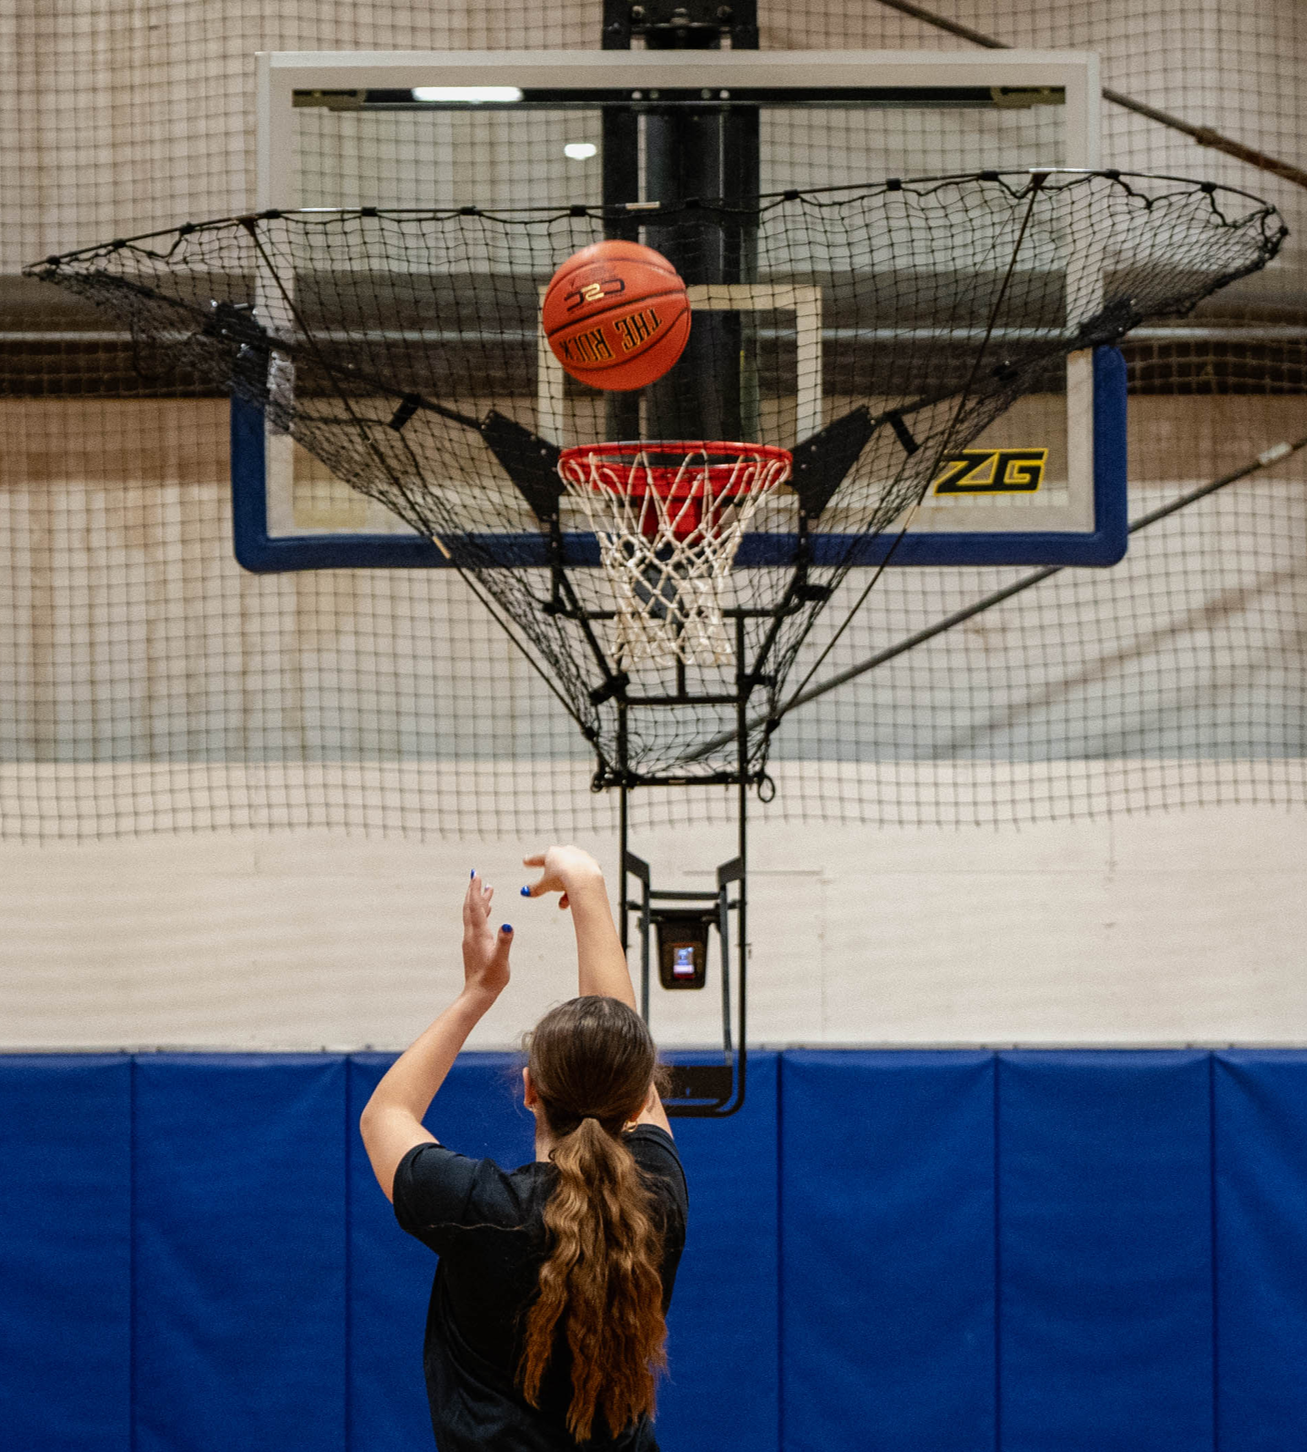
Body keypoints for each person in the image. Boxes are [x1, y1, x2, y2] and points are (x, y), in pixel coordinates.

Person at [360, 845, 687, 1452]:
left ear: (530, 1089)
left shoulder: (478, 1207)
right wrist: (587, 887)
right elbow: (619, 1044)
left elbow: (386, 1115)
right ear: (634, 1096)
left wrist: (478, 991)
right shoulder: (655, 1197)